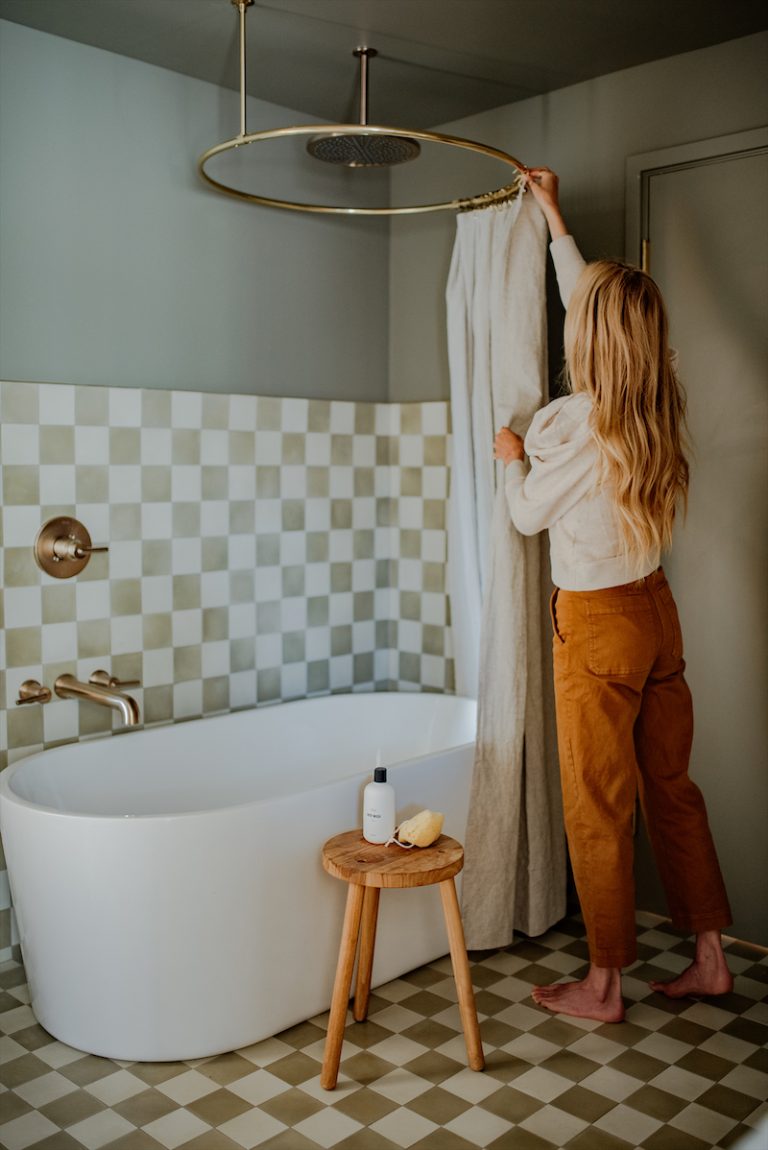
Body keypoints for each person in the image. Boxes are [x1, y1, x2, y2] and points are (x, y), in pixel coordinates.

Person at [493, 167, 733, 1022]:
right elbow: (595, 301)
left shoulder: (574, 426)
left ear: (590, 340)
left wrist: (512, 451)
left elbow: (524, 516)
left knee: (598, 806)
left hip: (595, 625)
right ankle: (710, 957)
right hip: (654, 613)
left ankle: (604, 983)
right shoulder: (654, 398)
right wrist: (554, 218)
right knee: (673, 787)